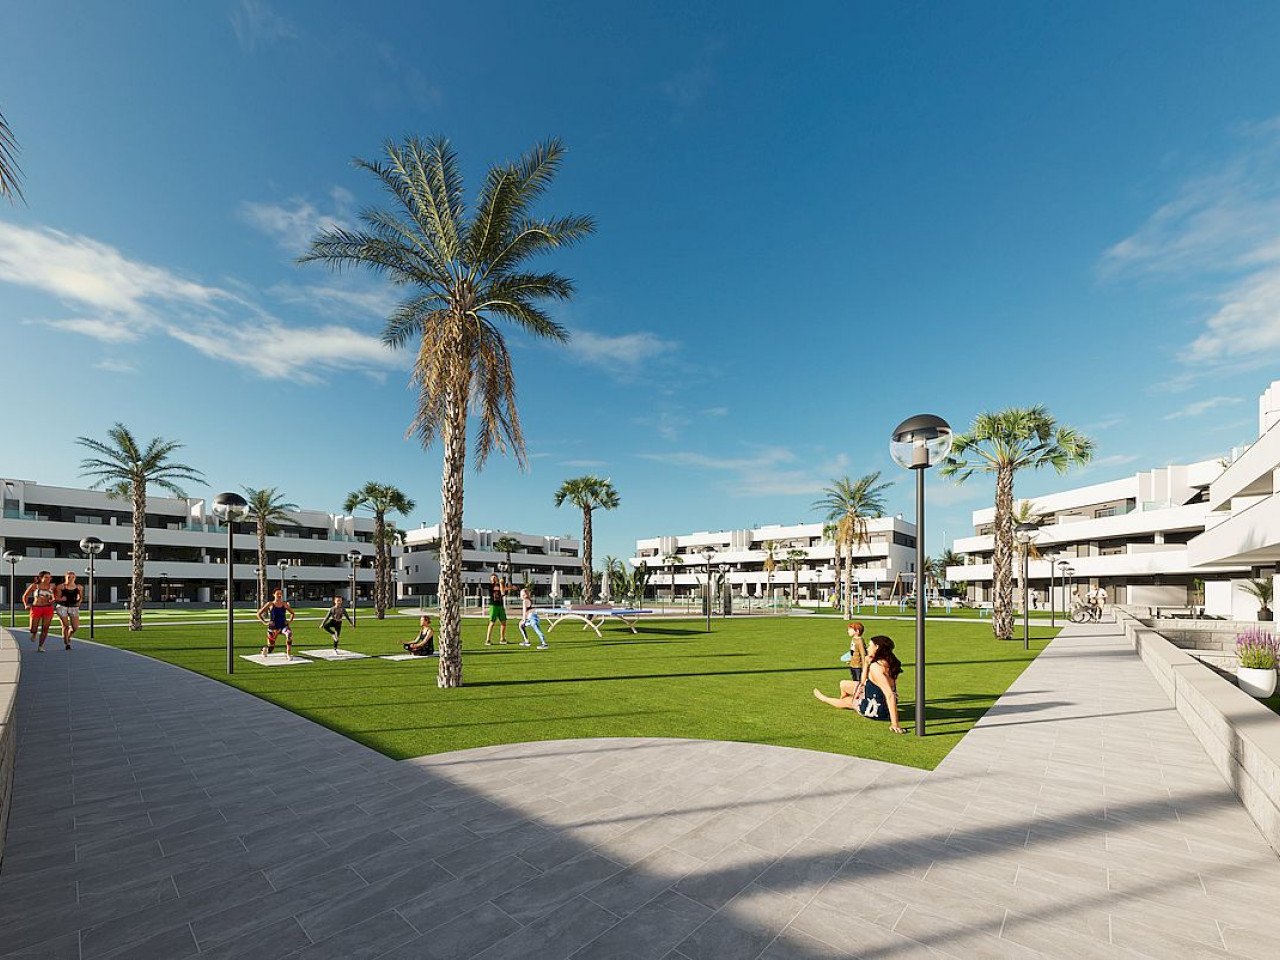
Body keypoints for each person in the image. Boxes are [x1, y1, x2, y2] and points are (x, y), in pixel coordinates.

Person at [814, 634, 907, 734]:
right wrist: (866, 664)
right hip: (876, 694)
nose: (867, 648)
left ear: (877, 647)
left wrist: (895, 724)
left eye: (870, 645)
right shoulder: (890, 662)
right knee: (843, 684)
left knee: (847, 701)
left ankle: (825, 699)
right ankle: (845, 698)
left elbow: (890, 695)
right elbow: (863, 682)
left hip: (875, 708)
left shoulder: (876, 667)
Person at [22, 571, 57, 652]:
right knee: (32, 629)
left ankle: (40, 646)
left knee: (45, 628)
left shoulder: (52, 586)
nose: (49, 579)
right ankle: (34, 634)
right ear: (41, 578)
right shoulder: (34, 586)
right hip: (36, 608)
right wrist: (25, 604)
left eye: (50, 577)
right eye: (46, 577)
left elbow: (55, 597)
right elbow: (25, 595)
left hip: (48, 608)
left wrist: (53, 600)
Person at [257, 589, 296, 659]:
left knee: (289, 634)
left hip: (283, 626)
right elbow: (259, 614)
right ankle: (264, 650)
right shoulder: (270, 604)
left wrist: (289, 621)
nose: (279, 595)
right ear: (274, 595)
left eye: (280, 594)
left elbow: (292, 613)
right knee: (271, 648)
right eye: (277, 594)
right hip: (273, 628)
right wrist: (265, 622)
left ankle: (288, 654)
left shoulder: (284, 604)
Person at [55, 571, 83, 650]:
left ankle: (69, 636)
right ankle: (67, 643)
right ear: (65, 578)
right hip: (62, 606)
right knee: (66, 626)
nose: (71, 579)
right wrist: (61, 599)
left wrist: (79, 602)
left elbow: (81, 597)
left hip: (74, 607)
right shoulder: (61, 587)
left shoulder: (79, 587)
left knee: (75, 627)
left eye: (72, 577)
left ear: (75, 578)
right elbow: (56, 598)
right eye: (69, 577)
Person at [484, 573, 509, 645]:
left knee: (503, 622)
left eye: (495, 577)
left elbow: (503, 593)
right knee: (492, 623)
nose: (493, 579)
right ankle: (488, 640)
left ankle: (502, 639)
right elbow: (494, 589)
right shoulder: (490, 586)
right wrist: (500, 584)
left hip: (500, 606)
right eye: (492, 577)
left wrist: (501, 584)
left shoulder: (500, 585)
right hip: (493, 606)